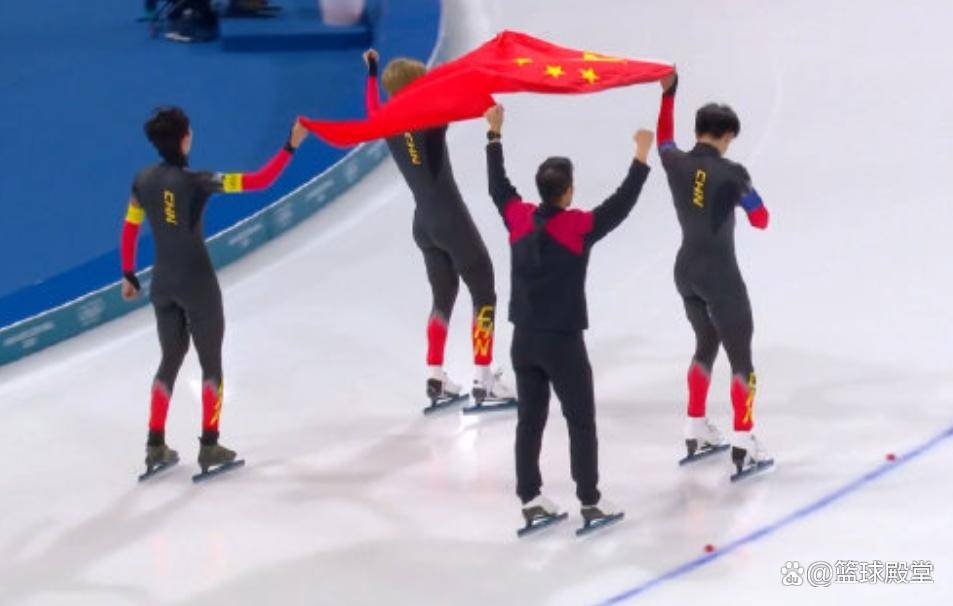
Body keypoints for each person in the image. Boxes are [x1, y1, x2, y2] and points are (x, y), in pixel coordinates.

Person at [483, 104, 653, 532]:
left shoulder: (519, 218)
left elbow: (498, 188)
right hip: (562, 342)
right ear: (568, 192)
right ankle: (590, 500)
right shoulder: (576, 227)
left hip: (523, 340)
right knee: (580, 421)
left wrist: (494, 134)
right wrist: (640, 156)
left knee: (530, 421)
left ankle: (530, 498)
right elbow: (620, 205)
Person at [121, 106, 308, 478]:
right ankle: (210, 444)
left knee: (169, 359)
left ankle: (155, 444)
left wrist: (129, 274)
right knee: (211, 363)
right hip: (198, 282)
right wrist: (290, 146)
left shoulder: (142, 180)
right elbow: (261, 181)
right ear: (185, 139)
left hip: (162, 283)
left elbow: (130, 228)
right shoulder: (200, 181)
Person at [362, 49, 514, 408]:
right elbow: (459, 100)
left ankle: (435, 375)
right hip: (450, 219)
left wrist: (371, 73)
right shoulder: (428, 119)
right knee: (484, 292)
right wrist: (493, 126)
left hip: (423, 223)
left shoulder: (385, 121)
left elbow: (371, 108)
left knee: (442, 297)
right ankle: (483, 378)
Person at [655, 72, 773, 479]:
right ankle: (744, 440)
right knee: (741, 357)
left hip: (685, 270)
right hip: (720, 275)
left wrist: (668, 95)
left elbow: (663, 138)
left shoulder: (674, 161)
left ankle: (695, 426)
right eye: (729, 140)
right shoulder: (732, 173)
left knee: (705, 343)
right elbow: (761, 219)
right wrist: (746, 192)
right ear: (724, 136)